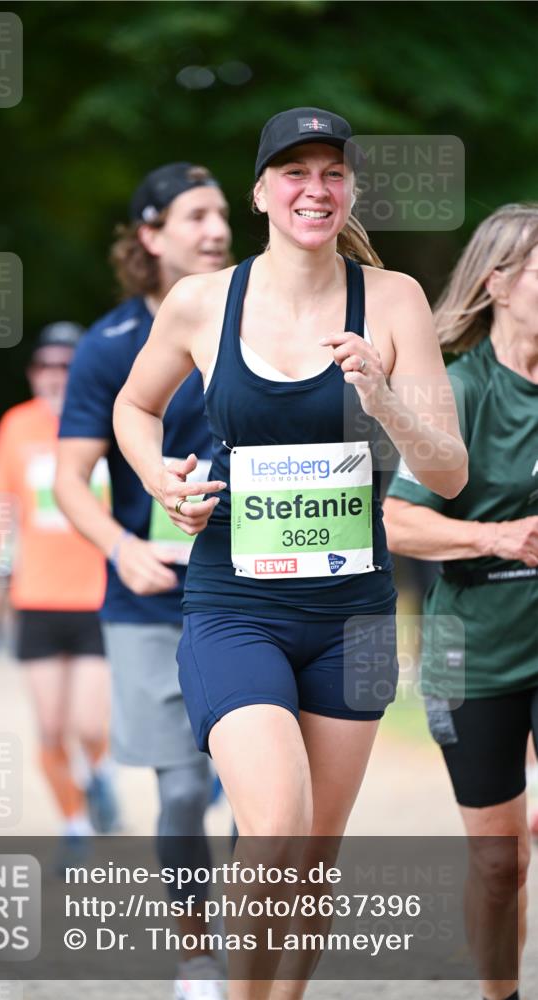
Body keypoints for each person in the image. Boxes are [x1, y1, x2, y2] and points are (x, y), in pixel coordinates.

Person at [112, 108, 467, 999]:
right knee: (275, 824)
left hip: (350, 618)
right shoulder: (204, 301)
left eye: (332, 173)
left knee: (310, 860)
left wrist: (382, 399)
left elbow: (449, 472)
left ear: (347, 190)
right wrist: (159, 478)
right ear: (262, 190)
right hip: (235, 604)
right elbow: (133, 408)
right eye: (295, 172)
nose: (316, 189)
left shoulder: (392, 302)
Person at [55, 162, 231, 999]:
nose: (218, 228)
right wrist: (118, 545)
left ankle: (255, 935)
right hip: (151, 598)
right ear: (150, 236)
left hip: (256, 591)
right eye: (196, 215)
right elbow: (67, 479)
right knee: (184, 790)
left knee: (275, 799)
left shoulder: (263, 322)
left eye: (224, 212)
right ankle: (197, 950)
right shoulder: (110, 346)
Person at [384, 203, 538, 1000]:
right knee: (496, 859)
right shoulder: (459, 389)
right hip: (471, 652)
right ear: (498, 283)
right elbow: (398, 522)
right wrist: (498, 538)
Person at [0, 322, 118, 849]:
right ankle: (74, 826)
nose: (54, 375)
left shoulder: (108, 421)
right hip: (37, 598)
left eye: (66, 365)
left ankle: (101, 771)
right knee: (49, 728)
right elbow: (2, 509)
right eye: (44, 365)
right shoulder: (16, 426)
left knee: (89, 724)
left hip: (97, 597)